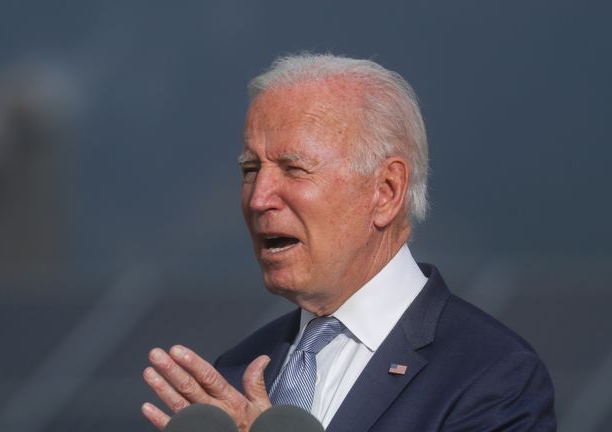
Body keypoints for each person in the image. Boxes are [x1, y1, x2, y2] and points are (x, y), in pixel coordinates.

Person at [141, 54, 556, 432]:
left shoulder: (493, 376)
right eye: (251, 168)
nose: (259, 197)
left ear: (387, 191)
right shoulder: (235, 374)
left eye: (293, 168)